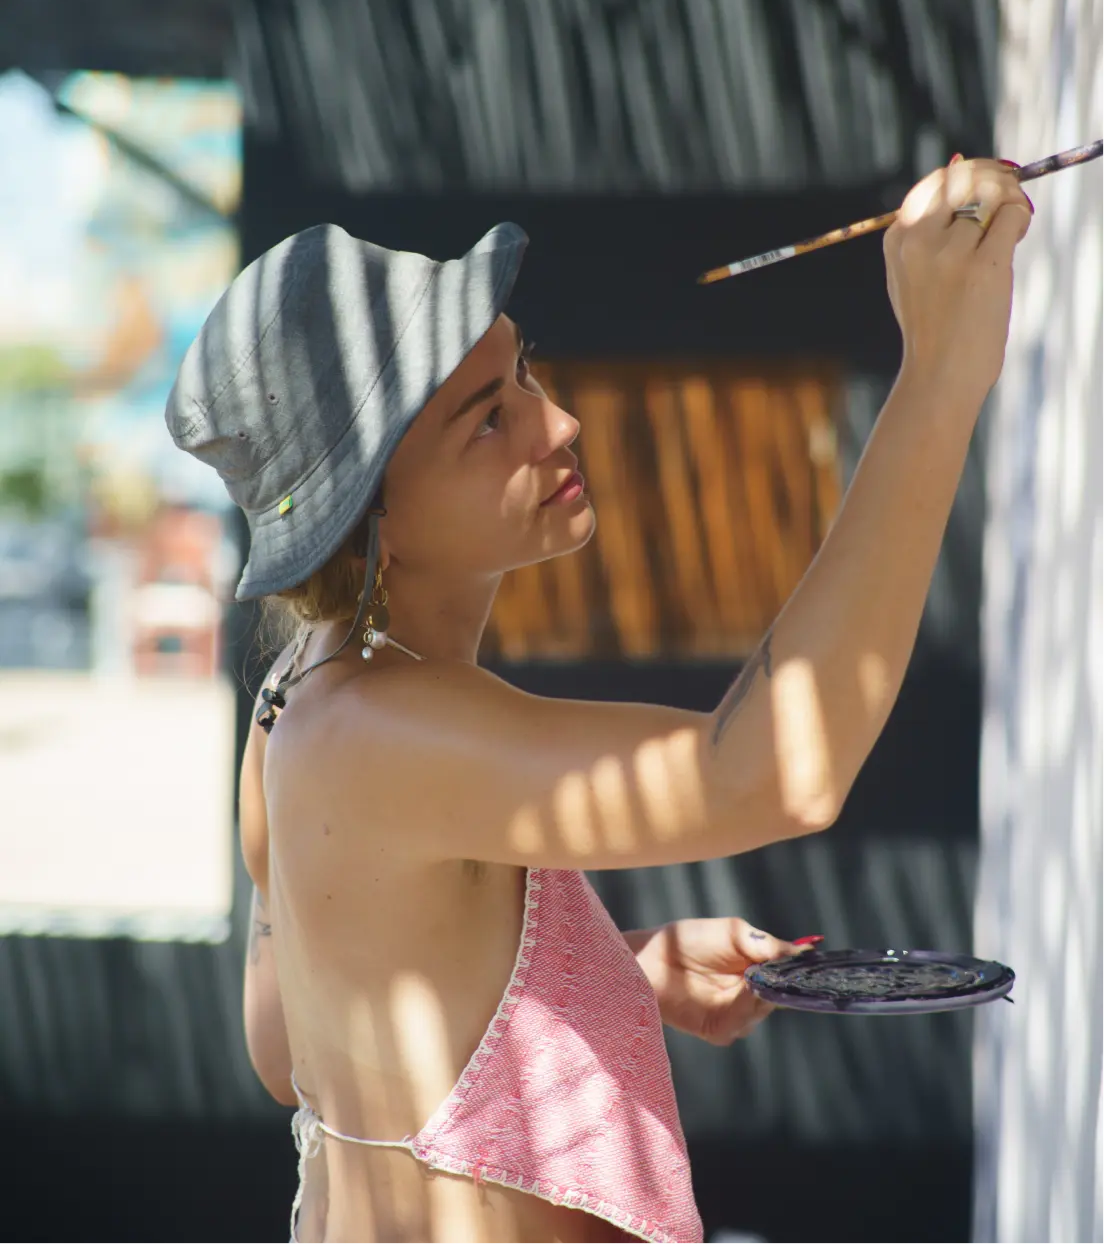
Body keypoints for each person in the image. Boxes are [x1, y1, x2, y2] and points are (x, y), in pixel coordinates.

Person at [165, 155, 1032, 1244]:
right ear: (366, 516)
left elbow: (290, 1044)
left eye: (524, 371)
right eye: (488, 420)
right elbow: (774, 773)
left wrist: (604, 975)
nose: (559, 422)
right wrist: (941, 372)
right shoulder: (378, 729)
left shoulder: (294, 698)